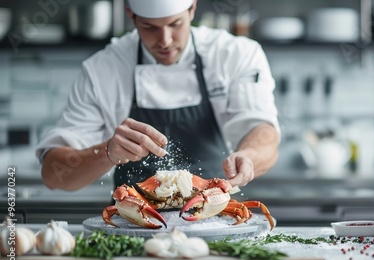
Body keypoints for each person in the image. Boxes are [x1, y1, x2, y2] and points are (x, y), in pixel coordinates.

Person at [36, 0, 280, 192]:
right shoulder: (102, 69)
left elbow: (263, 132)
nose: (165, 41)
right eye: (150, 27)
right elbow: (53, 175)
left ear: (193, 7)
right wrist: (107, 152)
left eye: (175, 24)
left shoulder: (235, 54)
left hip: (214, 224)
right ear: (131, 16)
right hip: (130, 231)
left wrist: (249, 157)